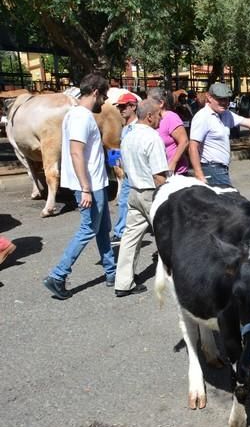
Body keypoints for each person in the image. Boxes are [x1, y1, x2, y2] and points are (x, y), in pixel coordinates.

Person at [43, 73, 116, 300]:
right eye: (103, 95)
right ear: (95, 92)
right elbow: (76, 152)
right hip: (90, 185)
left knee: (103, 229)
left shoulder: (77, 115)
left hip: (95, 183)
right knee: (88, 229)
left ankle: (112, 272)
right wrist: (85, 187)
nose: (104, 101)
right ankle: (58, 275)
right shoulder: (81, 117)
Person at [113, 99, 169, 297]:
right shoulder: (153, 138)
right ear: (150, 116)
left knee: (130, 237)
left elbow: (125, 168)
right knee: (169, 233)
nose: (161, 118)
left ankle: (123, 282)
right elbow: (159, 176)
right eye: (159, 115)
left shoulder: (129, 135)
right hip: (150, 193)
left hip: (133, 191)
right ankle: (175, 277)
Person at [110, 92, 139, 245]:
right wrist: (114, 162)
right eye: (119, 107)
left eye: (123, 106)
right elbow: (118, 147)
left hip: (138, 173)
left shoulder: (138, 127)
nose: (121, 109)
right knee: (123, 201)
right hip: (128, 173)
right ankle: (120, 231)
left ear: (133, 106)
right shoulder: (125, 127)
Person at [147, 87, 190, 175]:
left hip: (175, 173)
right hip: (159, 172)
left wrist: (173, 163)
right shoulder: (151, 119)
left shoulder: (171, 117)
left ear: (161, 103)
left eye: (149, 102)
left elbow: (184, 141)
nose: (147, 105)